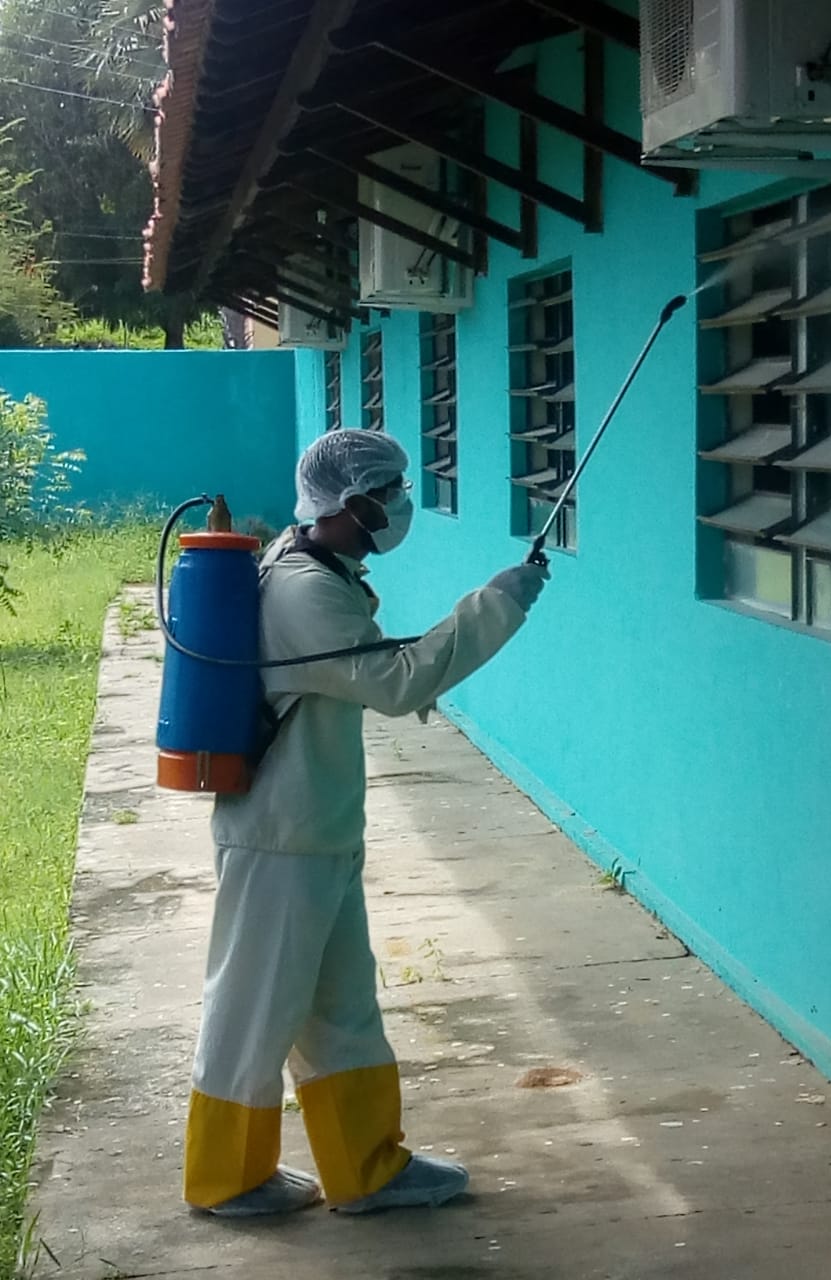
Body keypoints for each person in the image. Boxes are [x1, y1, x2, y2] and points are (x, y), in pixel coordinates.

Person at [184, 428, 549, 1218]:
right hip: (280, 837)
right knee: (252, 1009)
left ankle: (367, 1169)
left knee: (342, 1009)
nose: (399, 504)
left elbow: (373, 672)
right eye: (388, 492)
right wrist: (498, 601)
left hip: (318, 830)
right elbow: (395, 680)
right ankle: (225, 1176)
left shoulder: (316, 563)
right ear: (349, 502)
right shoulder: (303, 591)